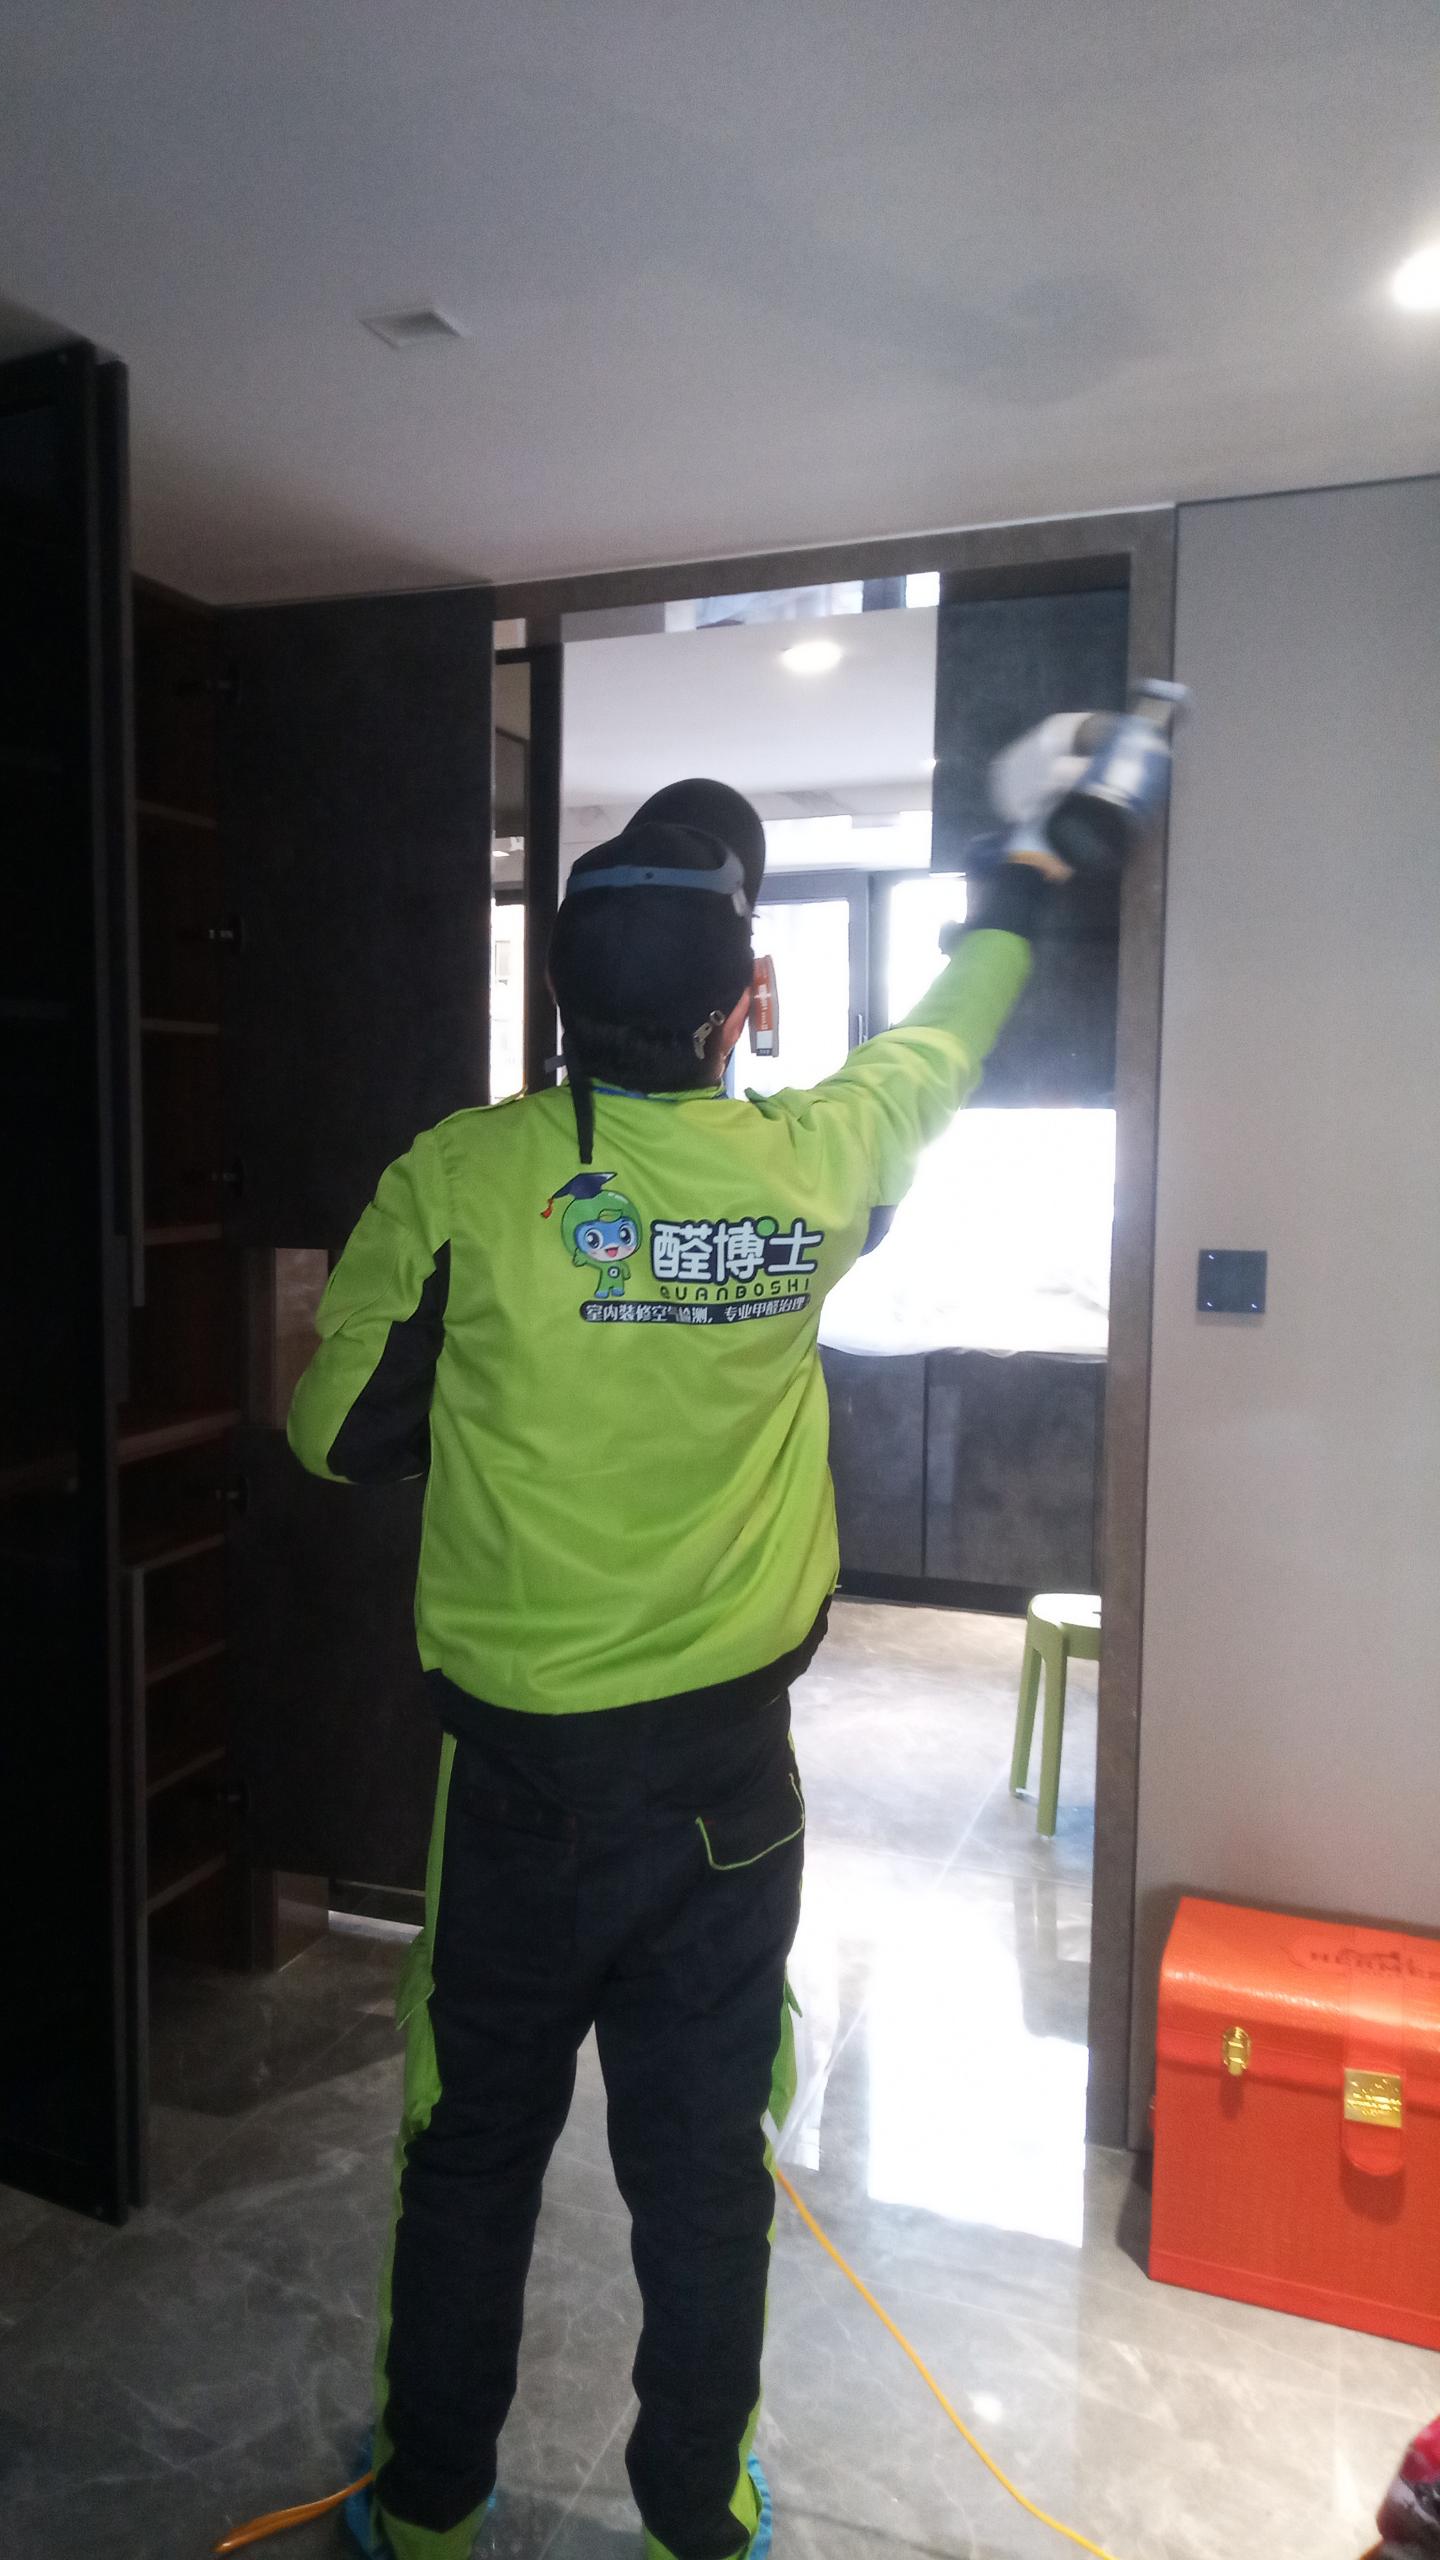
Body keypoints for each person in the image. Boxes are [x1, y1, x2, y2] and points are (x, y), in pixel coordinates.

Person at [286, 775, 1059, 2560]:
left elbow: (334, 1431)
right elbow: (939, 1048)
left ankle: (429, 2510)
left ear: (562, 996)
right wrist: (1024, 882)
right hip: (728, 1797)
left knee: (470, 2150)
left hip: (517, 1798)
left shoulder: (465, 1177)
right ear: (740, 1005)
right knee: (706, 2174)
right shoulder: (812, 1169)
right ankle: (698, 2517)